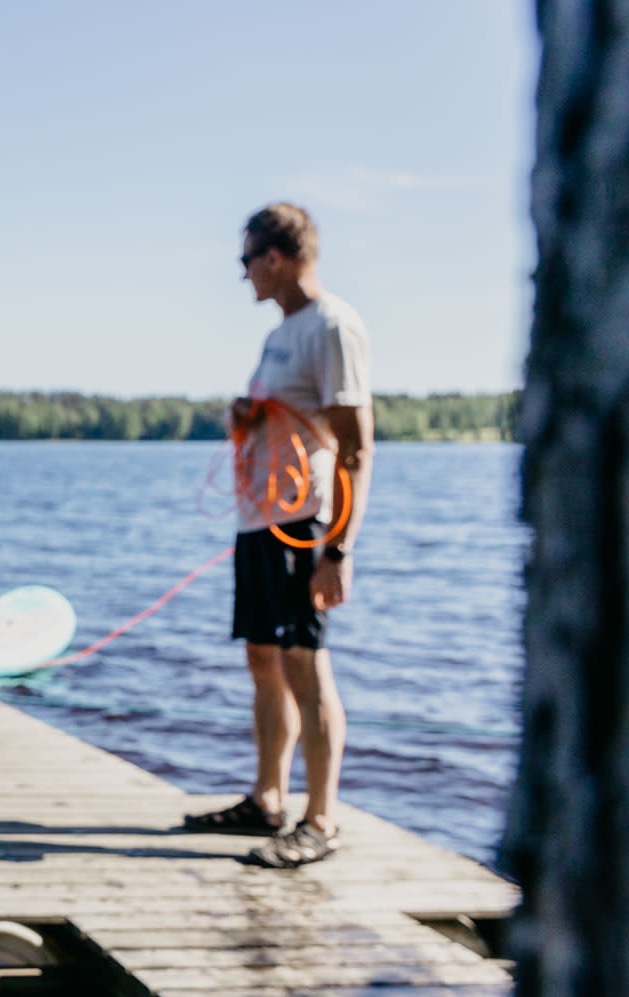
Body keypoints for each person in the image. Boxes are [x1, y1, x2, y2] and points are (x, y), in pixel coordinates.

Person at [184, 203, 374, 869]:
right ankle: (267, 800)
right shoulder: (281, 334)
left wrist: (338, 549)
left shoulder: (332, 325)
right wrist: (250, 417)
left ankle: (319, 820)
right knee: (263, 658)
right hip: (258, 520)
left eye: (247, 262)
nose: (243, 277)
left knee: (304, 663)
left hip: (304, 523)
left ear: (277, 257)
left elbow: (355, 445)